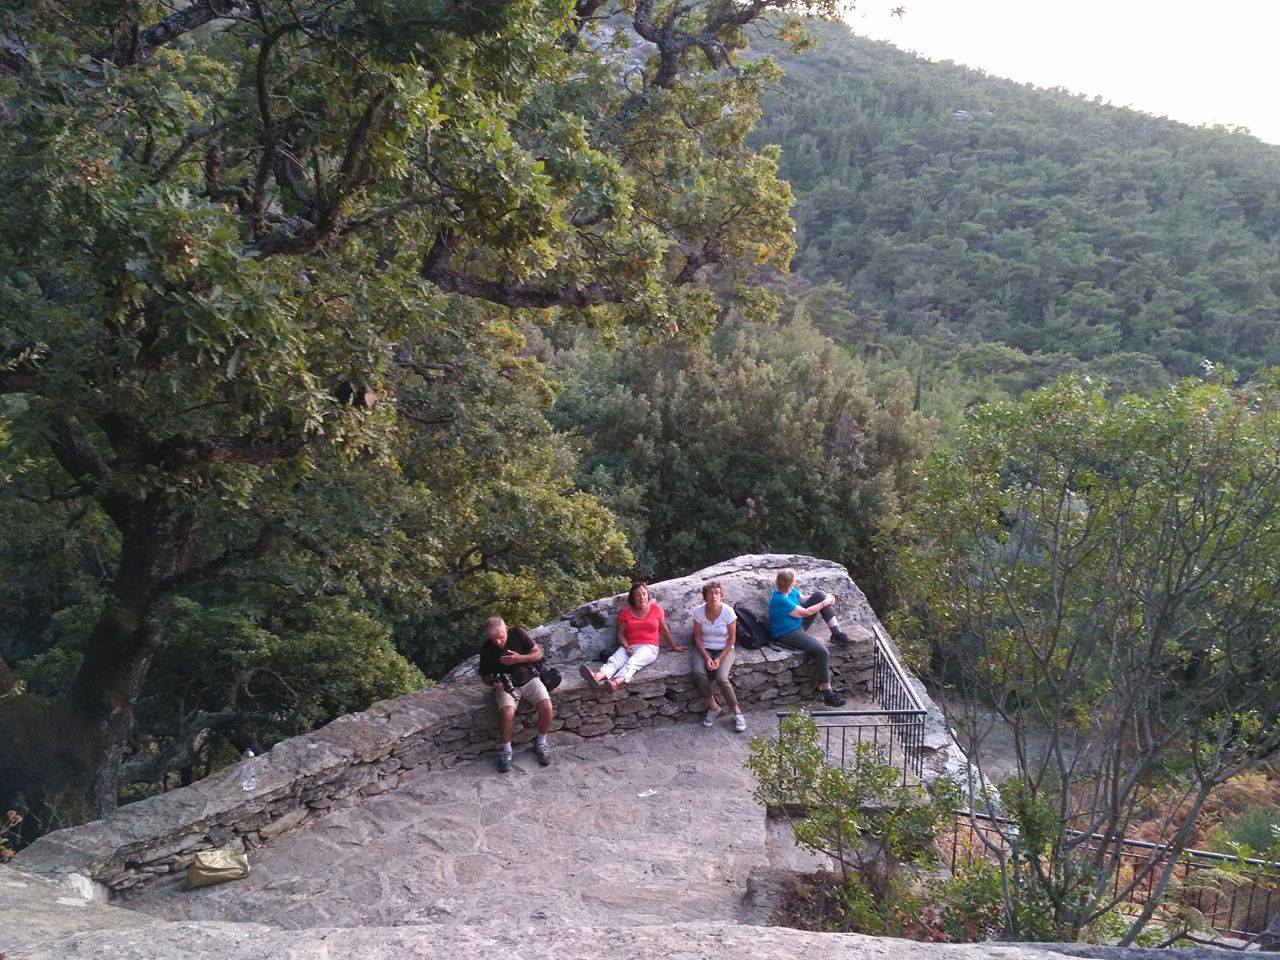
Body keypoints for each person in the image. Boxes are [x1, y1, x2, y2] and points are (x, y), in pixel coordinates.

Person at [767, 567, 852, 708]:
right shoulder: (779, 599)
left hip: (797, 624)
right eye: (794, 580)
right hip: (786, 633)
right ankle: (828, 694)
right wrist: (825, 603)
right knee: (822, 652)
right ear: (790, 583)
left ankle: (836, 634)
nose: (796, 582)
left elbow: (804, 599)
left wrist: (826, 598)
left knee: (820, 595)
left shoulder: (790, 591)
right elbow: (805, 612)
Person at [580, 581, 685, 693]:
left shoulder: (656, 609)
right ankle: (597, 677)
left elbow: (664, 630)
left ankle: (616, 682)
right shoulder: (625, 612)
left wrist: (673, 646)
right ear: (633, 598)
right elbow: (621, 634)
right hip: (630, 645)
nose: (642, 597)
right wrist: (626, 647)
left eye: (644, 594)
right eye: (638, 595)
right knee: (615, 660)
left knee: (633, 661)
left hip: (650, 647)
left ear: (648, 595)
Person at [478, 617, 553, 773]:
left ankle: (541, 742)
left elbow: (538, 654)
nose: (498, 642)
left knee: (546, 706)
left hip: (529, 678)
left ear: (506, 628)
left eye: (500, 637)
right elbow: (484, 675)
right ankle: (506, 751)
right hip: (506, 685)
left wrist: (520, 658)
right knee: (507, 714)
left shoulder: (518, 633)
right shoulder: (486, 649)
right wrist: (494, 683)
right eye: (493, 639)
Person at [690, 580, 746, 733]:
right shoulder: (698, 612)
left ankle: (737, 712)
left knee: (721, 677)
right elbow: (697, 638)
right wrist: (706, 657)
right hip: (704, 648)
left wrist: (719, 659)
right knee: (698, 672)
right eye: (710, 593)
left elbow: (732, 639)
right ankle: (714, 708)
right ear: (705, 596)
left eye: (717, 593)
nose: (714, 596)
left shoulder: (728, 612)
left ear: (721, 595)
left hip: (724, 649)